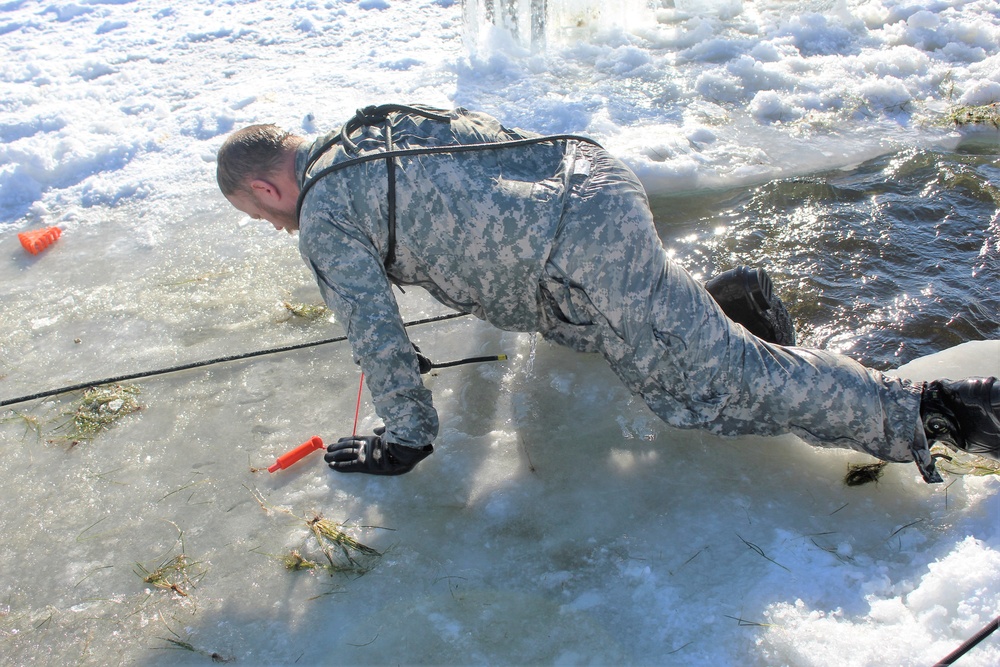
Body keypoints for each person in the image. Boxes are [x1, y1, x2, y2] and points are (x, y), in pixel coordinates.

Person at [216, 103, 1000, 481]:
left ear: (265, 186)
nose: (276, 231)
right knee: (622, 334)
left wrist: (407, 434)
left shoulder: (321, 213)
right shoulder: (370, 126)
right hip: (587, 184)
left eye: (261, 217)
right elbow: (480, 154)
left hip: (580, 251)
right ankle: (723, 299)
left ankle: (941, 408)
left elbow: (371, 331)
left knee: (712, 385)